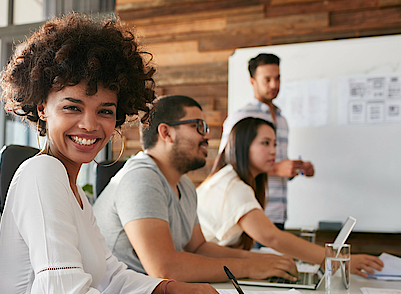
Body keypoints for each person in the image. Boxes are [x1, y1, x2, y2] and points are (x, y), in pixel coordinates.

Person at [0, 14, 265, 294]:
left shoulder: (74, 191)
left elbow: (108, 273)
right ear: (42, 108)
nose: (90, 125)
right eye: (72, 107)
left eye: (105, 111)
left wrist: (167, 288)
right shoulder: (43, 174)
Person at [93, 95, 299, 283]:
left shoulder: (184, 185)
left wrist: (262, 260)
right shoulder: (140, 178)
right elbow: (164, 269)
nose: (207, 136)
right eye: (198, 126)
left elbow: (198, 248)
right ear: (166, 133)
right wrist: (250, 266)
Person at [197, 117, 383, 276]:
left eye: (275, 144)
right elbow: (272, 237)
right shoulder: (233, 186)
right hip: (200, 269)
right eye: (265, 143)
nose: (273, 151)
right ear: (243, 146)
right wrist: (336, 259)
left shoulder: (231, 178)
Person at [219, 53, 313, 230]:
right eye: (267, 79)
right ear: (252, 81)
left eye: (278, 78)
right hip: (250, 211)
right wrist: (277, 168)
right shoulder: (241, 117)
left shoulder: (282, 120)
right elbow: (227, 162)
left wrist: (295, 168)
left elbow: (273, 162)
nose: (274, 85)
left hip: (279, 213)